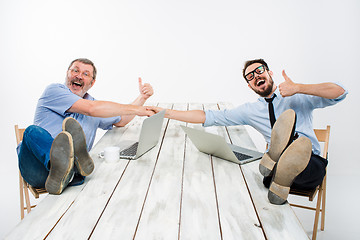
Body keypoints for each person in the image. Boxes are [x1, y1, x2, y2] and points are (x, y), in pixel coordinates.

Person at [147, 58, 347, 205]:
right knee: (278, 170)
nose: (256, 76)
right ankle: (277, 160)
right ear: (250, 85)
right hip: (278, 170)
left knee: (300, 158)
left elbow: (340, 92)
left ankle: (276, 159)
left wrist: (299, 87)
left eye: (259, 71)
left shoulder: (298, 96)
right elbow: (210, 116)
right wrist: (167, 113)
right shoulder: (251, 110)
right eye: (250, 77)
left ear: (270, 73)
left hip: (309, 163)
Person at [18, 58, 155, 195]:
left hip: (67, 179)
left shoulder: (95, 106)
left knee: (75, 133)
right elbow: (90, 109)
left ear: (92, 82)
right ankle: (66, 166)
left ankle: (71, 170)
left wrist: (142, 98)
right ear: (67, 73)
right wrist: (135, 110)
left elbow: (122, 120)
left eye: (85, 74)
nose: (79, 76)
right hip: (39, 169)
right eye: (75, 70)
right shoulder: (54, 91)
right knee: (31, 132)